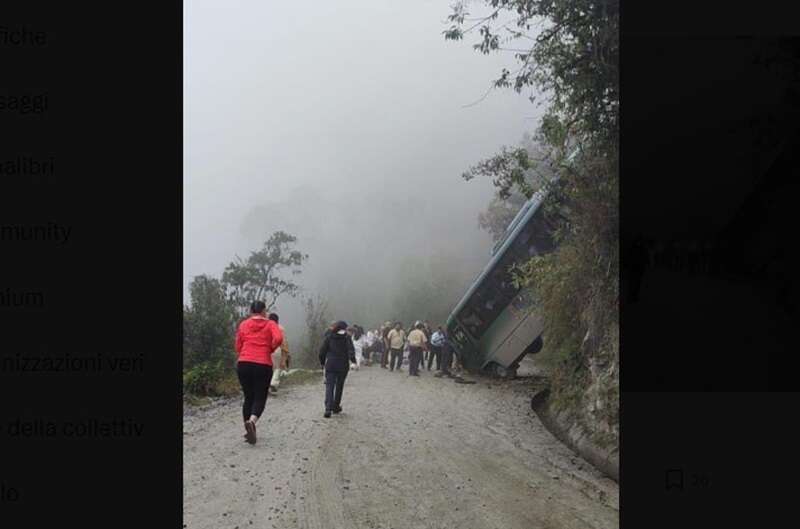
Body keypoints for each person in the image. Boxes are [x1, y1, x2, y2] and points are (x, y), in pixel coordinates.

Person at [234, 301, 283, 444]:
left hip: (243, 363)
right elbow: (279, 338)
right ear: (263, 311)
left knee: (248, 397)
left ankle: (248, 429)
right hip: (262, 364)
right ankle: (252, 421)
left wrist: (243, 352)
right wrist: (270, 348)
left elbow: (237, 345)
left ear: (251, 311)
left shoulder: (244, 324)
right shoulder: (270, 324)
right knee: (260, 397)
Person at [319, 320, 356, 418]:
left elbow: (322, 351)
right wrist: (353, 361)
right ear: (344, 328)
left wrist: (322, 363)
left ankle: (328, 408)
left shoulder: (329, 337)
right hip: (343, 366)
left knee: (329, 386)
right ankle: (335, 406)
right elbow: (351, 350)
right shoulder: (347, 338)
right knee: (339, 386)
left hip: (331, 364)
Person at [268, 314, 290, 394]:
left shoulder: (266, 327)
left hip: (267, 349)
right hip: (277, 349)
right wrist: (285, 356)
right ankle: (273, 383)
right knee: (278, 367)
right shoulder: (280, 328)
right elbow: (284, 342)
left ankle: (266, 384)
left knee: (268, 368)